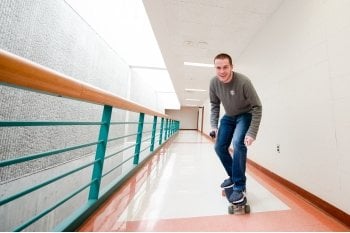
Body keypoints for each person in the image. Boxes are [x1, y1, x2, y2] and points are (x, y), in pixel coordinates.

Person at [209, 53, 262, 204]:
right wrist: (214, 125)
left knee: (238, 143)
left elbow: (257, 107)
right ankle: (233, 176)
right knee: (219, 147)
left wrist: (252, 132)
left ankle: (239, 186)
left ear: (232, 67)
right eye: (218, 68)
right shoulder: (214, 83)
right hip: (229, 116)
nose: (222, 71)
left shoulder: (243, 82)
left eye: (225, 67)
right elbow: (214, 105)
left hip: (245, 115)